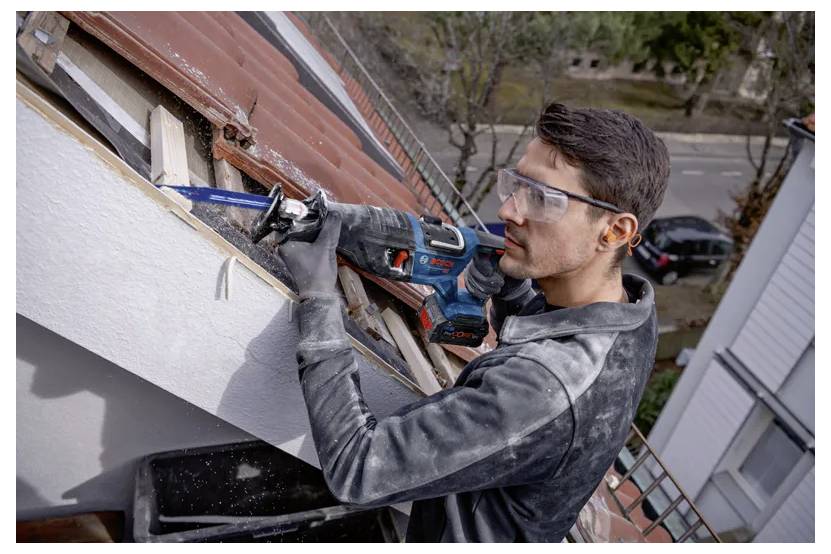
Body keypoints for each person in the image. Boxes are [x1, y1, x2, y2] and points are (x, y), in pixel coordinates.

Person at [277, 102, 671, 542]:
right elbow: (555, 348)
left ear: (615, 231)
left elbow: (358, 467)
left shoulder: (543, 387)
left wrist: (317, 296)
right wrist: (514, 292)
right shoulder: (631, 313)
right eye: (516, 184)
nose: (508, 211)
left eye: (542, 198)